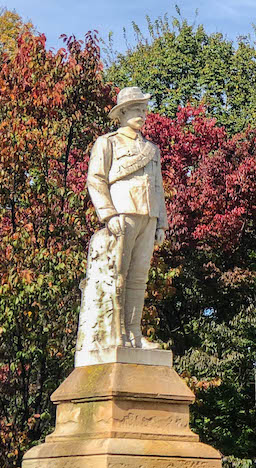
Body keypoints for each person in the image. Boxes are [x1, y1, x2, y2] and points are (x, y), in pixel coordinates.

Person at [75, 87, 167, 356]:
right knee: (118, 277)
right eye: (137, 109)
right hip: (122, 213)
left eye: (144, 109)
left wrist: (161, 221)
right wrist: (108, 213)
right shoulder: (108, 143)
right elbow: (96, 179)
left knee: (139, 278)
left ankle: (135, 334)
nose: (143, 114)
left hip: (147, 216)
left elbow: (158, 187)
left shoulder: (152, 149)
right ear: (123, 113)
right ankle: (117, 334)